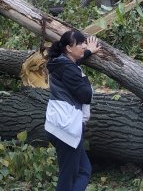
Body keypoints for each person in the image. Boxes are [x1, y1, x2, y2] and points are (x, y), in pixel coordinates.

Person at [44, 30, 100, 191]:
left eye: (84, 43)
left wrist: (89, 51)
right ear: (69, 48)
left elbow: (73, 67)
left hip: (60, 126)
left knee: (84, 170)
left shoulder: (61, 63)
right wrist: (85, 78)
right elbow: (86, 95)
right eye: (80, 43)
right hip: (66, 128)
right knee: (67, 179)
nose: (84, 45)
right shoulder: (68, 68)